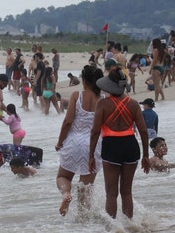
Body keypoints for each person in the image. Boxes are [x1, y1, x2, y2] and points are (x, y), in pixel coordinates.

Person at [89, 67, 150, 219]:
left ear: (109, 84)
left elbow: (95, 131)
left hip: (111, 147)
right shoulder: (134, 104)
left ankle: (113, 230)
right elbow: (143, 131)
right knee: (127, 192)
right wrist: (146, 156)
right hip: (131, 146)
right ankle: (129, 226)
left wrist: (91, 156)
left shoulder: (102, 105)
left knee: (111, 193)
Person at [55, 65, 104, 216]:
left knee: (63, 177)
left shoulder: (77, 95)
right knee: (85, 188)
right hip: (93, 145)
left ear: (83, 80)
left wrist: (59, 142)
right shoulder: (103, 100)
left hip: (73, 142)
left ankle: (66, 194)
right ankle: (84, 222)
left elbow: (68, 122)